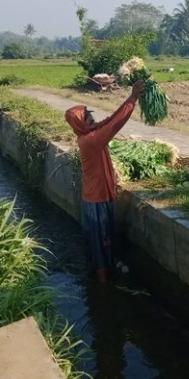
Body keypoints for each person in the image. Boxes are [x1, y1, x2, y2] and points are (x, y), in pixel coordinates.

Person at [65, 80, 145, 282]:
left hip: (100, 195)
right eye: (90, 121)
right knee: (100, 243)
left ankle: (107, 268)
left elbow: (110, 121)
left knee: (105, 239)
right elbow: (115, 125)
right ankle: (102, 286)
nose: (94, 122)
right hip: (96, 199)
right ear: (81, 125)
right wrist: (133, 98)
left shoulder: (88, 133)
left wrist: (129, 99)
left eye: (92, 120)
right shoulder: (91, 140)